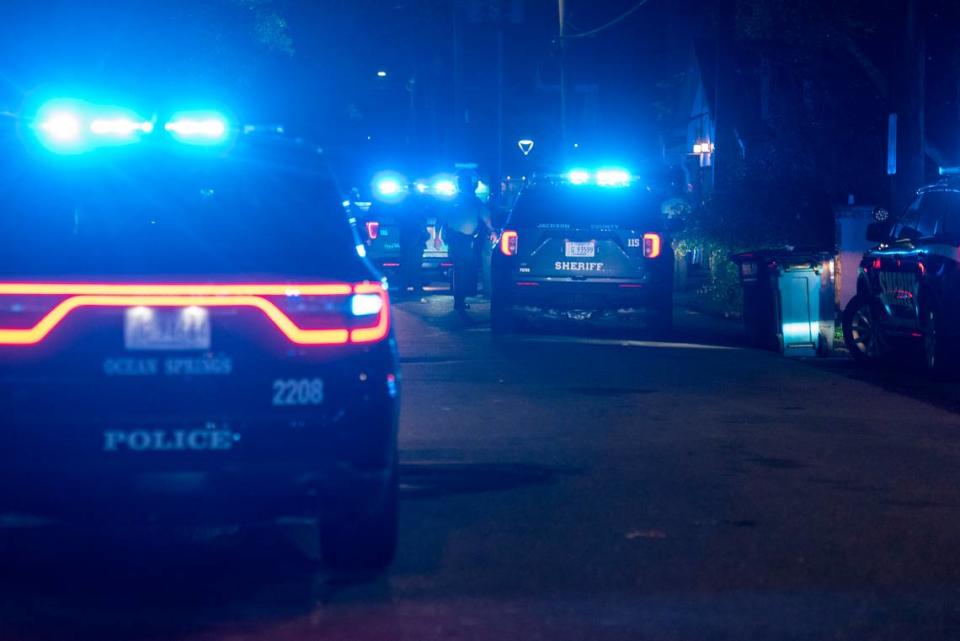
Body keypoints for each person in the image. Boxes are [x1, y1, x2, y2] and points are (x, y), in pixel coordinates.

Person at [437, 171, 493, 312]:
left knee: (463, 269)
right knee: (461, 269)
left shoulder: (472, 200)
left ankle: (460, 298)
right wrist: (436, 237)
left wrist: (492, 231)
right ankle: (459, 300)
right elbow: (441, 220)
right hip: (457, 239)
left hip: (466, 240)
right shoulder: (454, 200)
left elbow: (486, 218)